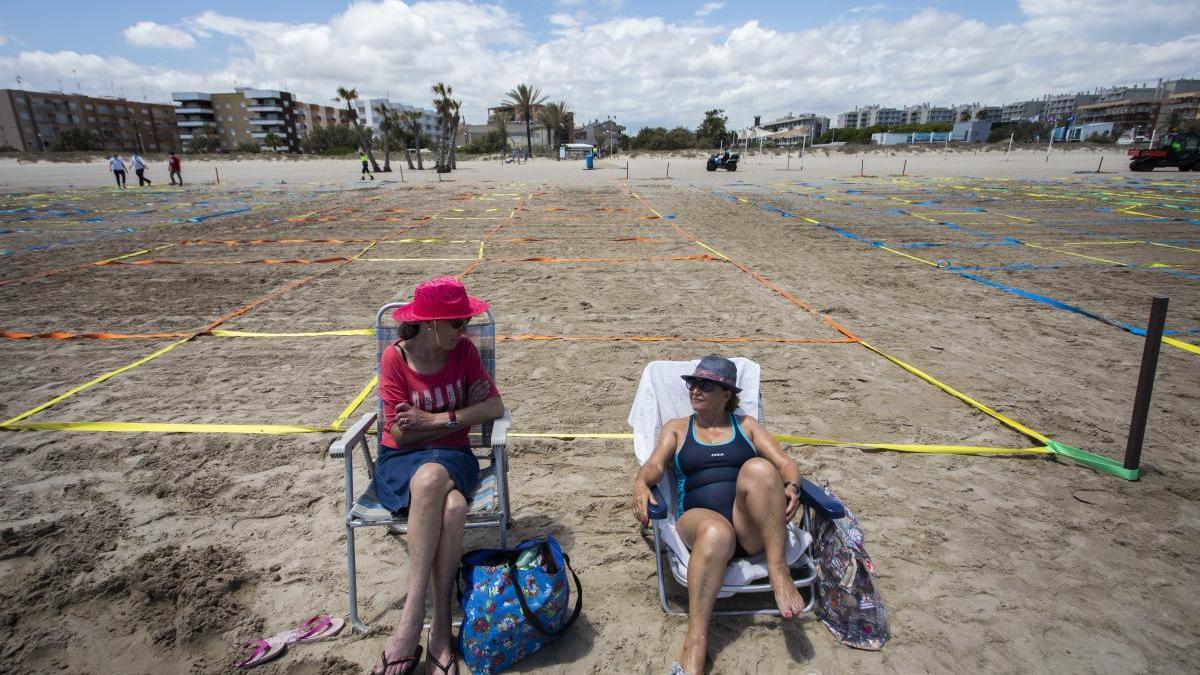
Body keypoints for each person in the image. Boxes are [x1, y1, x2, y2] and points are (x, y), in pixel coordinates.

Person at [631, 355, 806, 675]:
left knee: (760, 468)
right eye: (692, 383)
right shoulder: (678, 429)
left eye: (705, 385)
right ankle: (695, 644)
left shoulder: (747, 426)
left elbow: (785, 463)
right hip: (698, 523)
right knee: (716, 530)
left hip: (750, 529)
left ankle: (778, 569)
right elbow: (655, 465)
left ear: (726, 393)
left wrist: (792, 486)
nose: (694, 390)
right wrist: (641, 482)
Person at [370, 276, 504, 675]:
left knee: (431, 478)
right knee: (454, 506)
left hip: (453, 457)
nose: (465, 330)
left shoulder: (463, 352)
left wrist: (433, 419)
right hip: (400, 463)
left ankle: (409, 625)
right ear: (430, 323)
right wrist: (461, 416)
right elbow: (398, 433)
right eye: (458, 322)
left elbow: (494, 406)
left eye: (465, 321)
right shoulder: (396, 359)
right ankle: (440, 629)